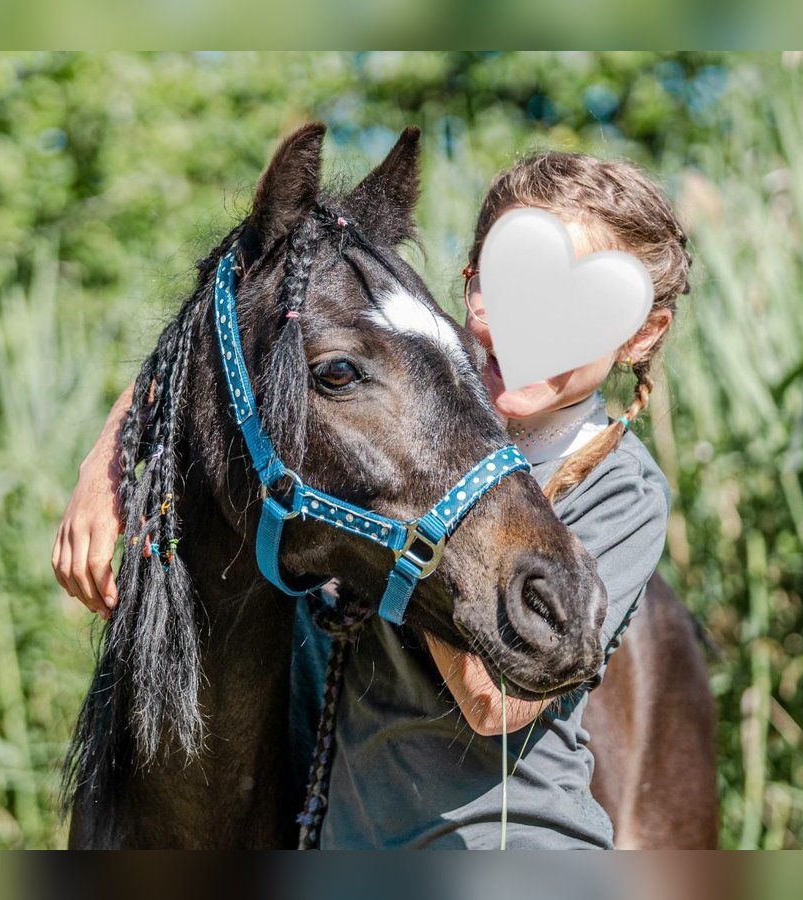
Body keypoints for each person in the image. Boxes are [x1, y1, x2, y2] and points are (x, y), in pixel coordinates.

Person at [53, 149, 692, 849]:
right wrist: (110, 455)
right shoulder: (423, 380)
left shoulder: (623, 492)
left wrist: (412, 534)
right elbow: (238, 345)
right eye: (508, 292)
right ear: (469, 282)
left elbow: (494, 701)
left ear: (640, 336)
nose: (527, 332)